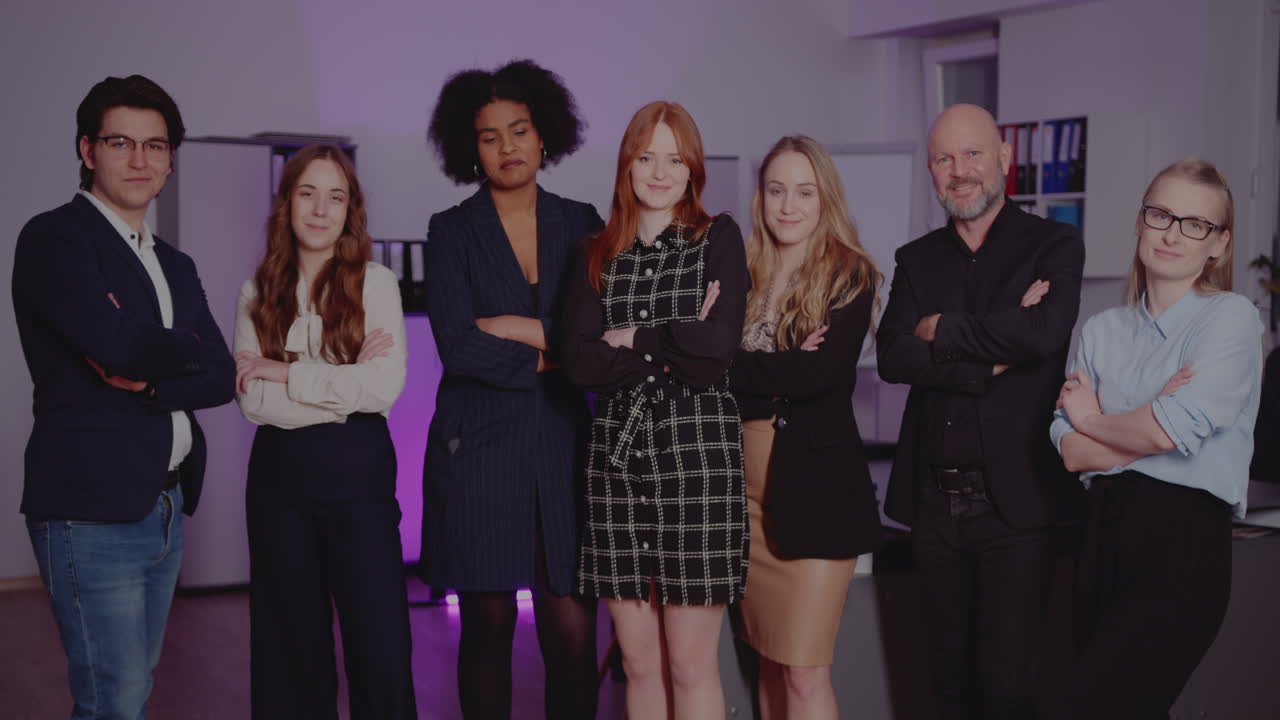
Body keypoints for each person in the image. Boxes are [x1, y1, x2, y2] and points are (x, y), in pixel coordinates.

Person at [11, 74, 235, 719]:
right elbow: (120, 350)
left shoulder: (175, 264)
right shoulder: (55, 239)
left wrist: (155, 371)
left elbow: (220, 376)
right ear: (88, 150)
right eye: (120, 143)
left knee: (132, 688)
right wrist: (176, 348)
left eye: (155, 146)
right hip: (90, 509)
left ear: (170, 159)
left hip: (165, 502)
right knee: (114, 697)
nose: (140, 160)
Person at [875, 103, 1084, 719]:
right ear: (931, 171)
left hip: (1015, 505)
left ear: (1004, 159)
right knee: (947, 686)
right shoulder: (916, 258)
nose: (959, 170)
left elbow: (1042, 334)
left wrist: (940, 329)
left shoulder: (1053, 244)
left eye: (972, 154)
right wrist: (992, 354)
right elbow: (893, 356)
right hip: (934, 505)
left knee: (1008, 689)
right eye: (944, 158)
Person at [1047, 159, 1262, 719]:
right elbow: (1071, 454)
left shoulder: (1231, 319)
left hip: (1182, 546)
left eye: (1196, 224)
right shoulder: (1101, 331)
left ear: (1219, 243)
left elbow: (1164, 430)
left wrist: (1096, 419)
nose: (1173, 234)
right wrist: (1142, 422)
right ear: (1141, 221)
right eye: (1161, 214)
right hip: (1100, 538)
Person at [420, 60, 601, 720]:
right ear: (471, 148)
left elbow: (599, 338)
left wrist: (516, 329)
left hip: (564, 446)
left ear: (544, 135)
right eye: (490, 136)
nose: (507, 147)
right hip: (478, 447)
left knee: (573, 634)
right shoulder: (451, 230)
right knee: (488, 627)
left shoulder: (583, 223)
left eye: (519, 130)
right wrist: (563, 351)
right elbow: (459, 346)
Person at [562, 100, 749, 720]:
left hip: (697, 464)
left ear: (693, 167)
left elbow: (716, 353)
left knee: (690, 666)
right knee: (639, 663)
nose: (661, 172)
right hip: (616, 466)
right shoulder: (594, 252)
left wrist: (632, 337)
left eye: (674, 158)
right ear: (627, 164)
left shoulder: (718, 238)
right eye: (647, 158)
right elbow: (579, 361)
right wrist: (674, 343)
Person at [233, 144, 416, 719]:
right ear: (286, 203)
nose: (320, 209)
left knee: (381, 651)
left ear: (349, 209)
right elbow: (254, 403)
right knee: (290, 653)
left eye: (335, 197)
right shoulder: (256, 292)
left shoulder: (376, 284)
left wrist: (287, 373)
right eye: (307, 194)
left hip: (359, 483)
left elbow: (382, 389)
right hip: (279, 485)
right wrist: (343, 384)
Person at [729, 135, 883, 720]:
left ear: (825, 199)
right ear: (760, 198)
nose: (788, 205)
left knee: (803, 668)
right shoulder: (742, 271)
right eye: (776, 191)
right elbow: (710, 367)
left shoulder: (851, 272)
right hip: (744, 500)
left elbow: (822, 375)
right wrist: (783, 367)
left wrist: (745, 368)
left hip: (817, 497)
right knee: (767, 660)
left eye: (804, 192)